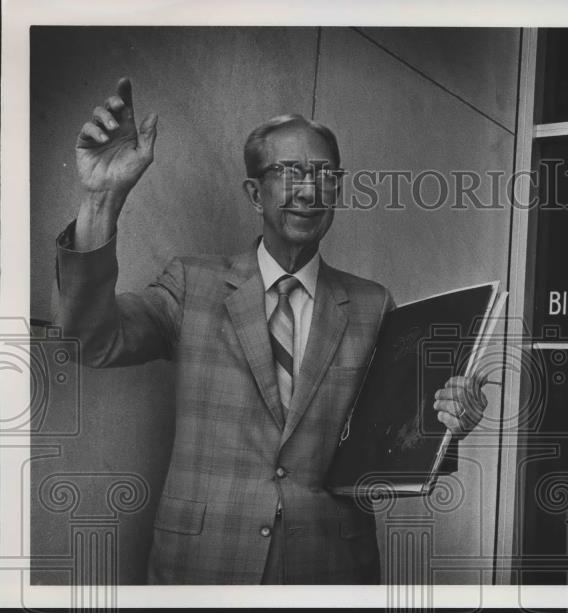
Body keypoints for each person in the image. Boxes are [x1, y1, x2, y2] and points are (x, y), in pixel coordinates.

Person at [55, 77, 488, 585]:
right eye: (289, 172)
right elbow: (92, 341)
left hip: (330, 569)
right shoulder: (193, 283)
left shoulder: (373, 305)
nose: (308, 189)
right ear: (254, 193)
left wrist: (448, 423)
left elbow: (392, 447)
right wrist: (102, 199)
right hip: (202, 566)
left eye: (324, 174)